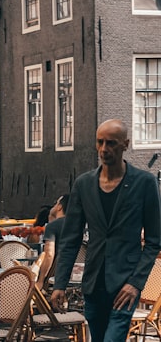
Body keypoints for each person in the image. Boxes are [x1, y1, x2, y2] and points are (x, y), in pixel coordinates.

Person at [51, 119, 161, 342]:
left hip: (125, 284)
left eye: (110, 143)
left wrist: (135, 283)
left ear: (125, 144)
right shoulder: (83, 184)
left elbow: (153, 241)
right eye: (99, 142)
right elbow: (71, 240)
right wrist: (59, 283)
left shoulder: (145, 183)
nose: (103, 149)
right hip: (93, 283)